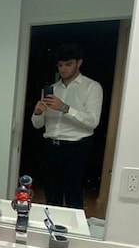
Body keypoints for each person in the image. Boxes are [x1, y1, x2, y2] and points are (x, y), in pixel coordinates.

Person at [31, 42, 103, 209]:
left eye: (68, 64)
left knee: (74, 195)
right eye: (60, 65)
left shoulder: (91, 87)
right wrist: (38, 112)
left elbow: (93, 122)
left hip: (76, 148)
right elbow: (37, 125)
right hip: (51, 146)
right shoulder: (51, 89)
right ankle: (50, 230)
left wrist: (65, 108)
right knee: (51, 195)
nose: (63, 69)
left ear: (79, 63)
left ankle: (73, 233)